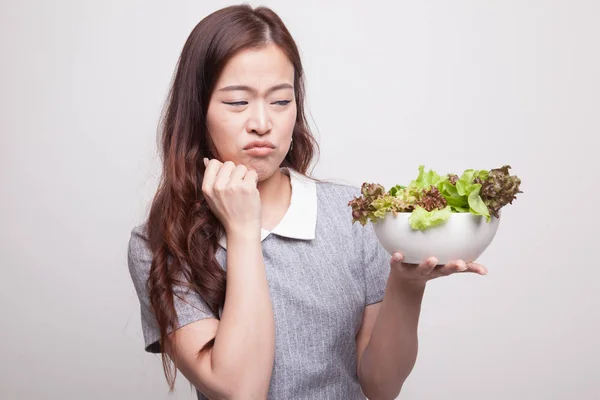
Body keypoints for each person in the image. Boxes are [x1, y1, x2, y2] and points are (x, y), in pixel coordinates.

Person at [127, 4, 488, 400]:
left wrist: (406, 284)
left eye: (280, 101)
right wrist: (244, 229)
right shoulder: (160, 243)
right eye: (237, 103)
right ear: (198, 111)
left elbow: (381, 387)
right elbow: (240, 390)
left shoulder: (350, 212)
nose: (262, 123)